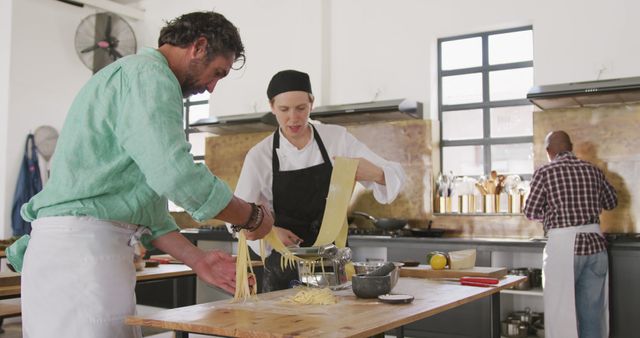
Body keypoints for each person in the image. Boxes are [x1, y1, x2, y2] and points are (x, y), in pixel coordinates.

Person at [14, 11, 273, 338]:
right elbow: (177, 176)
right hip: (81, 259)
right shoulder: (150, 76)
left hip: (81, 255)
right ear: (199, 46)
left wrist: (197, 259)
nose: (211, 87)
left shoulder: (134, 77)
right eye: (216, 73)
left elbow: (148, 207)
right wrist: (251, 216)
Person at [232, 69, 406, 292]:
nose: (293, 118)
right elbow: (236, 217)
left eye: (301, 108)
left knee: (338, 325)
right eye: (284, 109)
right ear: (272, 107)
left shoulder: (337, 139)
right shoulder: (260, 155)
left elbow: (395, 175)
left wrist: (375, 173)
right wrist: (269, 230)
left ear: (311, 103)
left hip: (333, 263)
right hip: (284, 266)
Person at [524, 130, 617, 338]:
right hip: (595, 246)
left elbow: (530, 211)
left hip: (563, 248)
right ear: (571, 147)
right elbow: (612, 202)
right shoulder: (594, 171)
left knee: (560, 314)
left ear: (549, 151)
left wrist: (551, 216)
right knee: (593, 314)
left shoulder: (545, 172)